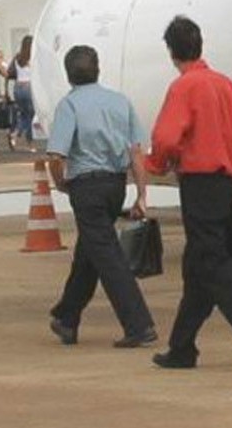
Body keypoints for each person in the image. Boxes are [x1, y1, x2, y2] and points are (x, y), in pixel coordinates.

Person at [141, 15, 232, 372]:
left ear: (172, 52)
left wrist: (155, 163)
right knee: (198, 268)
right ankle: (182, 346)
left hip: (200, 183)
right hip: (226, 182)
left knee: (213, 265)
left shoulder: (185, 87)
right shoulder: (226, 85)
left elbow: (167, 137)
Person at [40, 43, 158, 350]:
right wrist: (141, 195)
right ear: (98, 70)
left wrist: (61, 183)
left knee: (108, 256)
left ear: (69, 76)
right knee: (90, 252)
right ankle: (67, 316)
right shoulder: (120, 102)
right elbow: (136, 152)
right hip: (115, 186)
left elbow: (55, 155)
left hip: (87, 186)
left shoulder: (70, 105)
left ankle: (139, 324)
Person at [8, 35, 37, 148]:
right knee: (30, 115)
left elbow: (10, 72)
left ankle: (15, 133)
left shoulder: (17, 57)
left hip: (18, 87)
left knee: (24, 114)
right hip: (28, 87)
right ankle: (28, 141)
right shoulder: (33, 57)